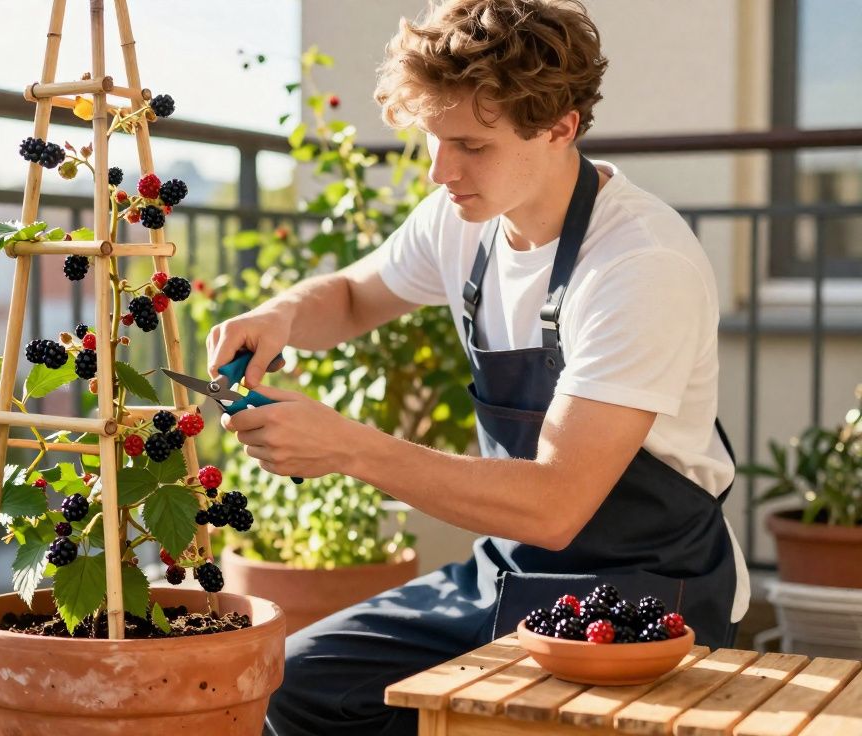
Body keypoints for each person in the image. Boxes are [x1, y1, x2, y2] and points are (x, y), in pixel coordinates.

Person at [205, 1, 750, 733]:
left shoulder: (639, 265)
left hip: (647, 588)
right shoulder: (462, 221)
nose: (439, 171)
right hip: (507, 574)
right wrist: (281, 314)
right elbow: (351, 296)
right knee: (293, 688)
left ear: (560, 126)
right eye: (433, 139)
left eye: (469, 145)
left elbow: (555, 505)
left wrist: (348, 448)